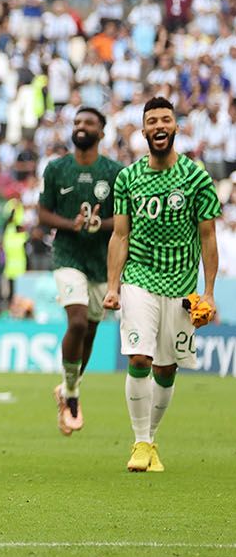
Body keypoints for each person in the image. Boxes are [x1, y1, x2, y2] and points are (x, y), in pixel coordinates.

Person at [103, 96, 221, 473]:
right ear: (143, 131)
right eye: (151, 120)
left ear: (175, 127)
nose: (158, 126)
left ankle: (150, 440)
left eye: (165, 120)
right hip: (140, 279)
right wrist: (113, 285)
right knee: (139, 357)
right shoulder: (128, 178)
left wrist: (209, 292)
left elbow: (207, 237)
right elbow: (120, 236)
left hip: (183, 287)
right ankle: (139, 442)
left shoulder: (196, 178)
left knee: (167, 369)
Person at [37, 107, 123, 436]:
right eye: (76, 122)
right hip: (68, 255)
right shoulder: (57, 168)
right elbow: (43, 214)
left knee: (89, 330)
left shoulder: (115, 172)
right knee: (76, 320)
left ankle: (69, 388)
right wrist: (68, 224)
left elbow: (126, 220)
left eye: (88, 123)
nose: (81, 127)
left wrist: (102, 224)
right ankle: (71, 393)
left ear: (101, 132)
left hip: (102, 262)